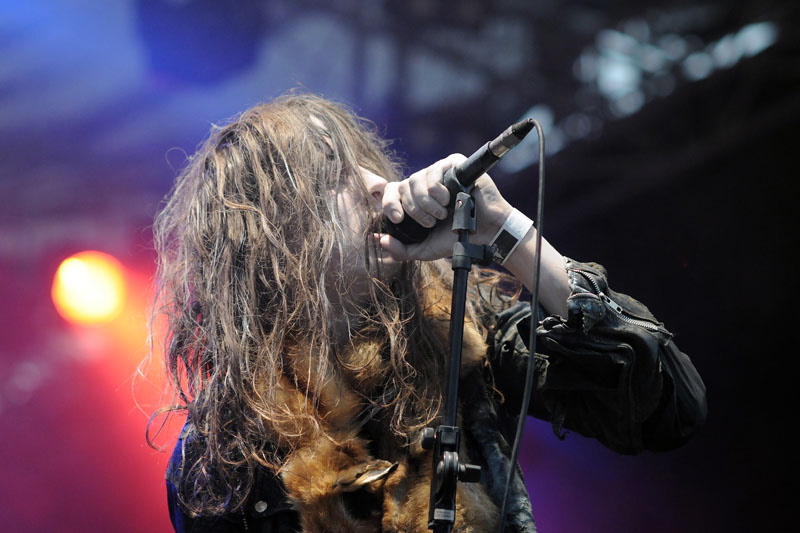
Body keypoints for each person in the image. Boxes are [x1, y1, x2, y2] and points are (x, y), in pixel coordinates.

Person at [149, 93, 707, 532]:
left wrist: (503, 229)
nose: (376, 186)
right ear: (273, 238)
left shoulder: (459, 328)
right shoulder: (221, 456)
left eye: (368, 165)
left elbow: (667, 406)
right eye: (332, 175)